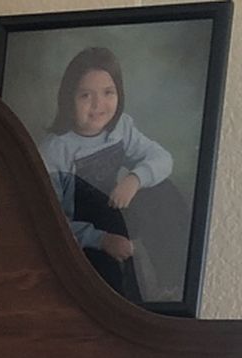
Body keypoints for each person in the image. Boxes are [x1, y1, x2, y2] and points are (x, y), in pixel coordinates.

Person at [35, 46, 174, 300]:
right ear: (68, 99)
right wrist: (101, 240)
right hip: (82, 230)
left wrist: (134, 179)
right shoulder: (55, 151)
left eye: (108, 93)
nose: (99, 105)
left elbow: (163, 159)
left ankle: (170, 282)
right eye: (86, 96)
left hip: (114, 204)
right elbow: (50, 221)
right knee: (110, 285)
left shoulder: (121, 128)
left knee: (164, 190)